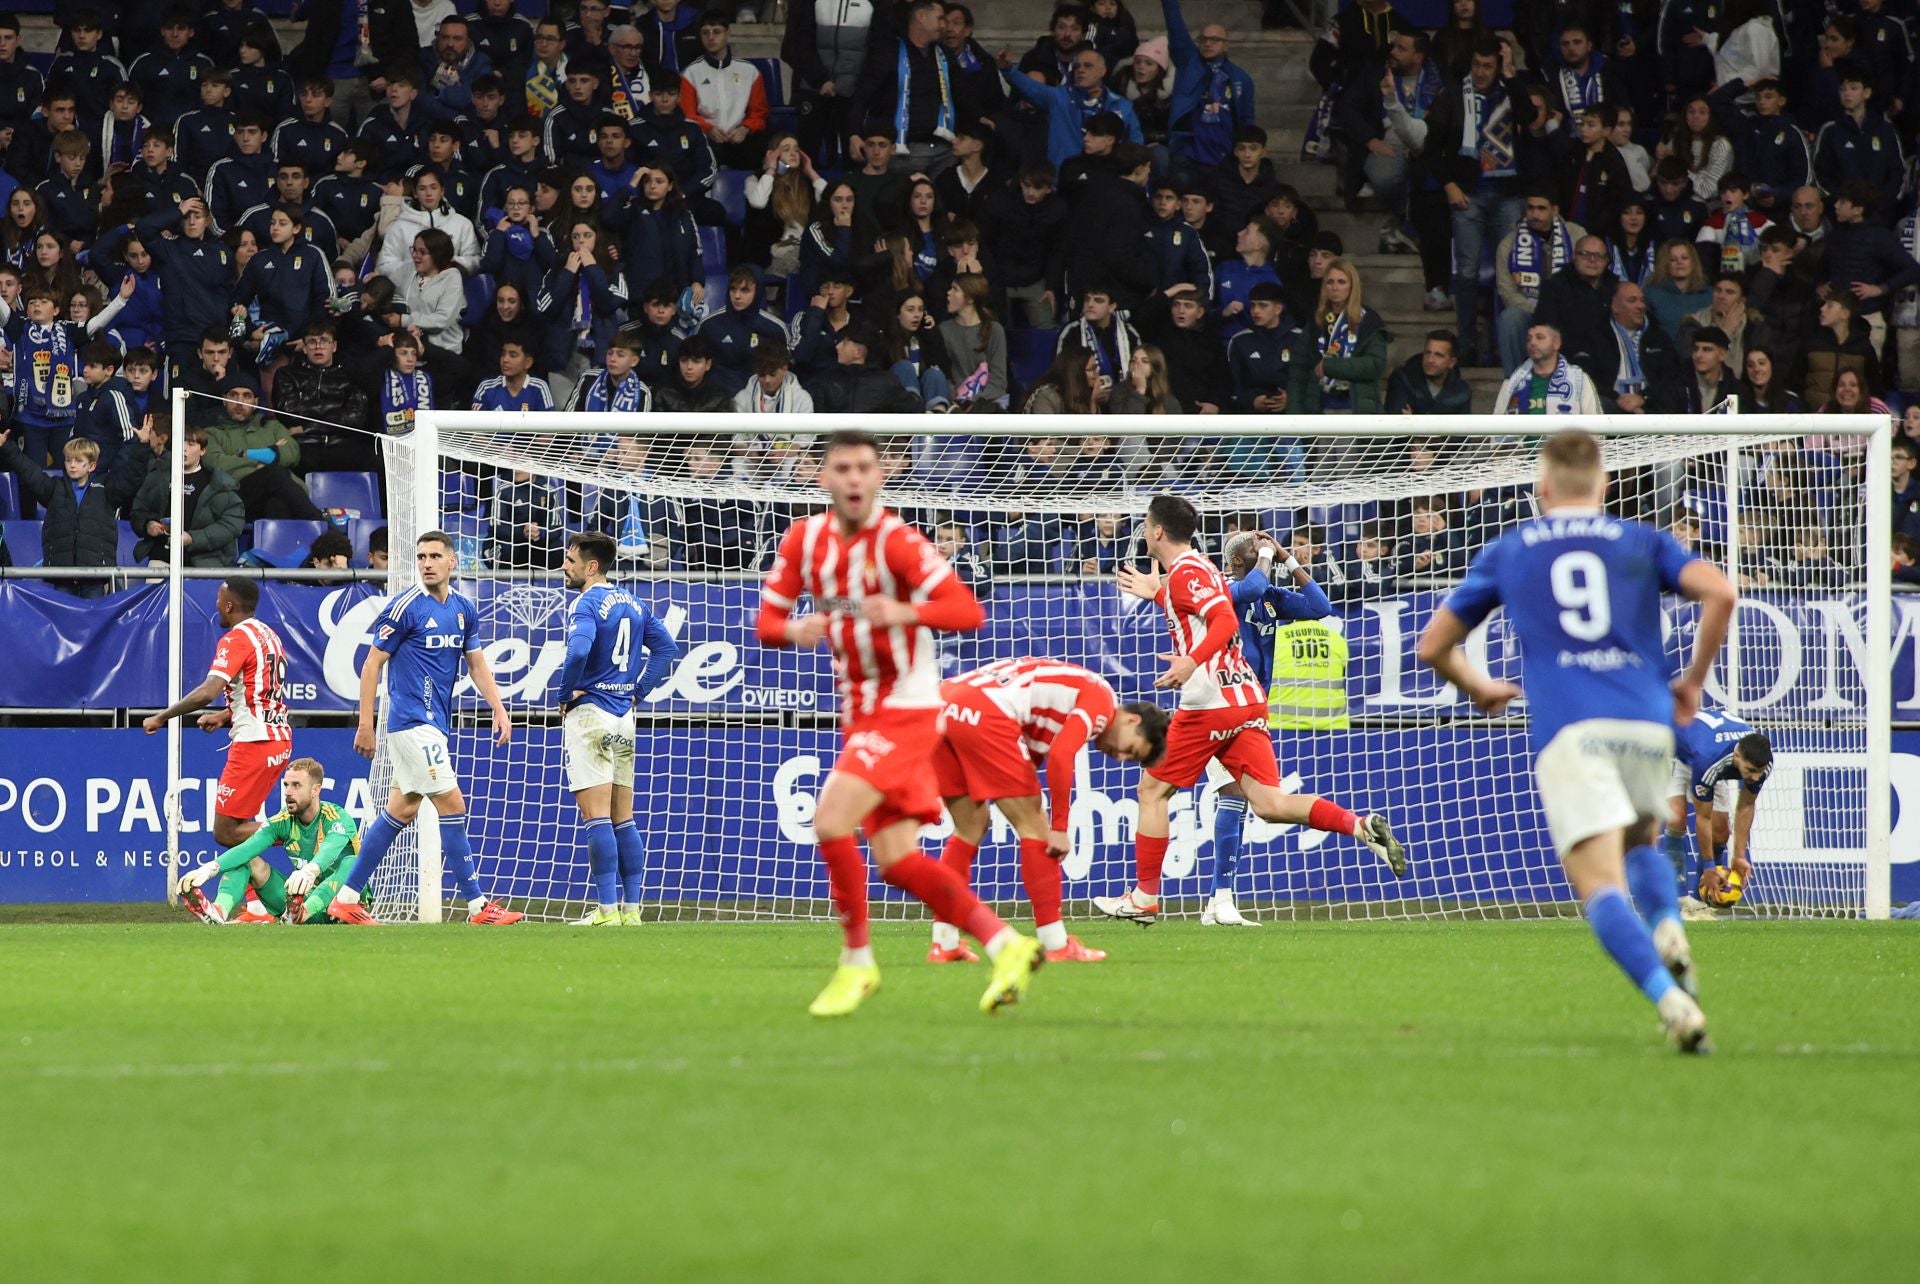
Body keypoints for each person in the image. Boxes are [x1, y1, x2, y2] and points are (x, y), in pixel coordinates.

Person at [1417, 428, 1735, 1052]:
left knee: (1597, 884)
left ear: (1541, 487)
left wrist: (1478, 687)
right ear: (1605, 484)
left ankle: (1675, 1006)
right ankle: (1669, 924)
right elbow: (1721, 591)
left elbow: (1432, 644)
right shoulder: (1639, 539)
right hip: (1645, 723)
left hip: (1571, 727)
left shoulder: (1513, 548)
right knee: (1641, 840)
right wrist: (1693, 682)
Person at [754, 429, 1044, 1018]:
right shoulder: (804, 539)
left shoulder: (901, 544)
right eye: (842, 467)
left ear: (880, 475)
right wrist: (795, 629)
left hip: (908, 709)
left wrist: (907, 609)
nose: (854, 477)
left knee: (831, 820)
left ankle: (856, 964)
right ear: (823, 478)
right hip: (858, 714)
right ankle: (1006, 944)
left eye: (864, 466)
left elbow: (967, 610)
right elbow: (766, 623)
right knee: (896, 862)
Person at [1093, 494, 1408, 924]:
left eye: (1146, 525)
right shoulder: (1198, 569)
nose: (1144, 532)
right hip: (1247, 700)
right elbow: (1208, 606)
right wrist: (1158, 593)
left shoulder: (1190, 572)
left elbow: (1222, 621)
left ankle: (1145, 897)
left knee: (1152, 790)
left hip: (1210, 701)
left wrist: (1191, 660)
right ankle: (1359, 826)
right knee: (1269, 803)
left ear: (1158, 531)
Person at [328, 531, 522, 925]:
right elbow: (371, 665)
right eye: (421, 556)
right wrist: (367, 724)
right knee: (453, 804)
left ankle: (346, 897)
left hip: (435, 724)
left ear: (453, 562)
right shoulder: (405, 608)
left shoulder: (464, 608)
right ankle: (478, 907)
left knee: (404, 808)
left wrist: (499, 708)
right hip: (410, 723)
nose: (427, 563)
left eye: (435, 556)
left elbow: (477, 664)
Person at [928, 657, 1167, 964]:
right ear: (1133, 720)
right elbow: (1061, 754)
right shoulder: (1102, 699)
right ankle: (1056, 943)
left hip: (942, 702)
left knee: (970, 827)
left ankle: (944, 942)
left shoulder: (1060, 700)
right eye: (1130, 749)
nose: (1119, 757)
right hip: (984, 710)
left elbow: (1038, 756)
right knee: (1035, 828)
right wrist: (1059, 827)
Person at [1203, 530, 1336, 927]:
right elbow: (1255, 582)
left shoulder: (1270, 599)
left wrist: (1289, 560)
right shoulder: (1227, 590)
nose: (1264, 550)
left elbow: (1320, 606)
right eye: (1253, 548)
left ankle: (1216, 904)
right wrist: (1266, 554)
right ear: (1237, 561)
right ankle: (1220, 900)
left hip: (1253, 707)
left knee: (1239, 798)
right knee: (1231, 793)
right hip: (1221, 702)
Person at [557, 531, 680, 927]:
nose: (564, 565)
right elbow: (666, 649)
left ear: (592, 567)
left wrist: (564, 692)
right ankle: (632, 910)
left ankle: (606, 910)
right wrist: (637, 692)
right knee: (623, 818)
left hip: (590, 714)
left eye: (571, 560)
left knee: (596, 818)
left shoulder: (585, 603)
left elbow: (578, 651)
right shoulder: (633, 601)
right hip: (623, 719)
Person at [139, 577, 292, 850]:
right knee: (241, 829)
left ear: (230, 605)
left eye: (220, 601)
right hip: (278, 740)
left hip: (254, 743)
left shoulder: (236, 639)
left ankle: (305, 829)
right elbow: (260, 693)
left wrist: (162, 716)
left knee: (226, 832)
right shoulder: (269, 635)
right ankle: (248, 893)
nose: (217, 606)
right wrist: (224, 716)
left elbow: (207, 692)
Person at [1423, 40, 1536, 367]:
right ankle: (1468, 345)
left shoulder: (1511, 90)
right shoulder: (1454, 95)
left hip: (1509, 194)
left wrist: (1513, 78)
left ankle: (1507, 345)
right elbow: (1432, 148)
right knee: (1468, 274)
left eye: (1489, 66)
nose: (1483, 72)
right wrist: (1449, 185)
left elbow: (1529, 117)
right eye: (1477, 66)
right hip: (1468, 195)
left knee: (1510, 275)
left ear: (1498, 66)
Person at [170, 757, 360, 925]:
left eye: (296, 785)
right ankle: (218, 911)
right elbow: (247, 848)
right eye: (286, 785)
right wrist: (209, 869)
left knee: (351, 863)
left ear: (316, 790)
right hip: (296, 904)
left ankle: (303, 913)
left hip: (342, 906)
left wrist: (310, 871)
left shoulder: (337, 818)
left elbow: (330, 848)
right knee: (247, 859)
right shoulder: (282, 820)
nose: (288, 792)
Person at [129, 425, 245, 568]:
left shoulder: (218, 483)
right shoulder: (157, 477)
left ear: (203, 450)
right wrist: (148, 524)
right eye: (180, 443)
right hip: (161, 558)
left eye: (190, 444)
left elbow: (232, 525)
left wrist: (193, 539)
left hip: (204, 563)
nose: (184, 449)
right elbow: (138, 510)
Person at [1159, 0, 1256, 170]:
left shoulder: (1240, 78)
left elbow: (1247, 118)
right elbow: (1176, 29)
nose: (1208, 43)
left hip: (1225, 154)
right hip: (1188, 152)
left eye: (1214, 40)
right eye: (1203, 39)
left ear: (1226, 44)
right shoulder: (1189, 62)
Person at [1495, 323, 1601, 415]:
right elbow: (1495, 430)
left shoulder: (1580, 380)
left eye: (1540, 337)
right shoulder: (1511, 383)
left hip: (1565, 439)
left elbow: (1597, 427)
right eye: (1529, 339)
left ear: (1556, 344)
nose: (1532, 343)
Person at [1386, 329, 1472, 414]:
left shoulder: (1462, 391)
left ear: (1451, 362)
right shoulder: (1402, 379)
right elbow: (1397, 423)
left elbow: (1463, 426)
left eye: (1438, 355)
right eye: (1427, 353)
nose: (1430, 360)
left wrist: (1414, 421)